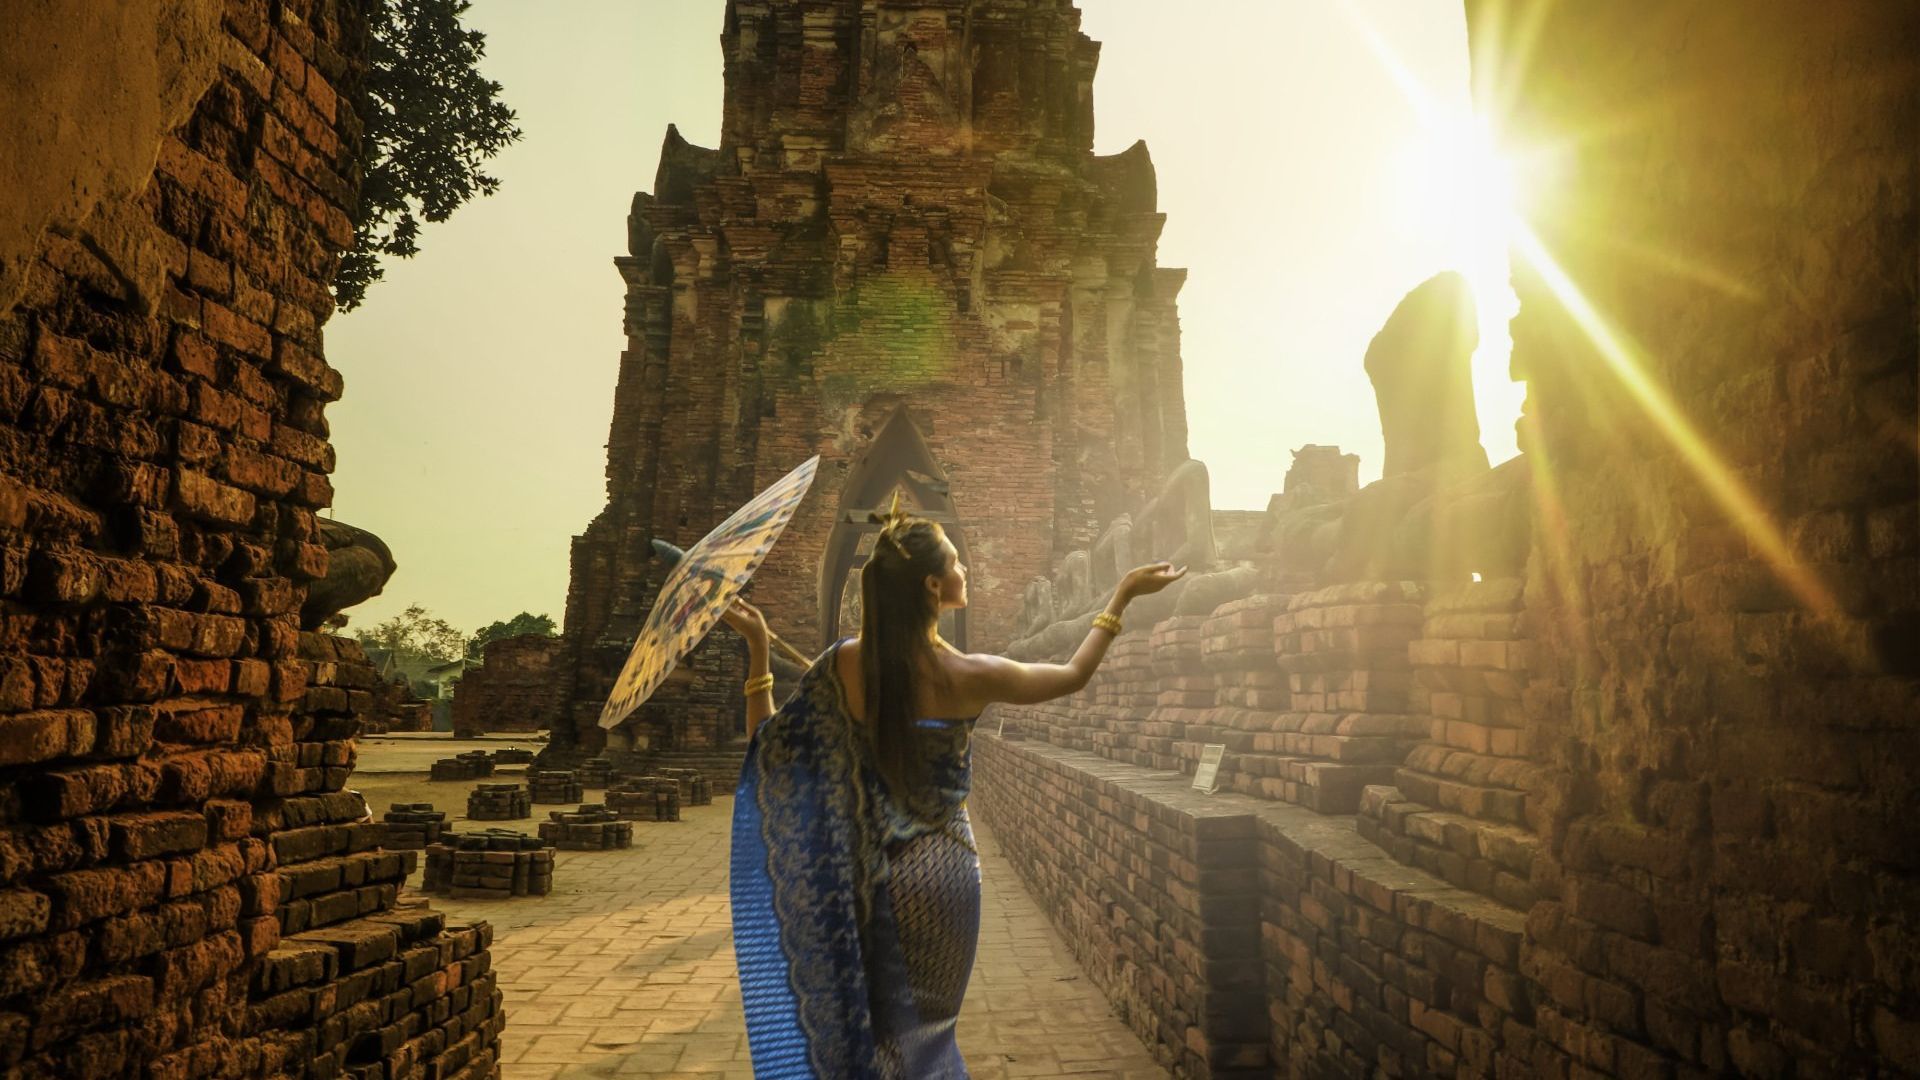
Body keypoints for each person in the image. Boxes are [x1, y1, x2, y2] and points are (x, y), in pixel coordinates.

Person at [721, 501, 1186, 1078]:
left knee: (870, 1035)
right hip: (943, 873)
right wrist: (1121, 597)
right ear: (933, 585)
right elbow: (1073, 674)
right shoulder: (973, 674)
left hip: (864, 878)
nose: (964, 568)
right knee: (927, 1042)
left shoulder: (843, 665)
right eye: (956, 561)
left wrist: (758, 649)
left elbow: (766, 749)